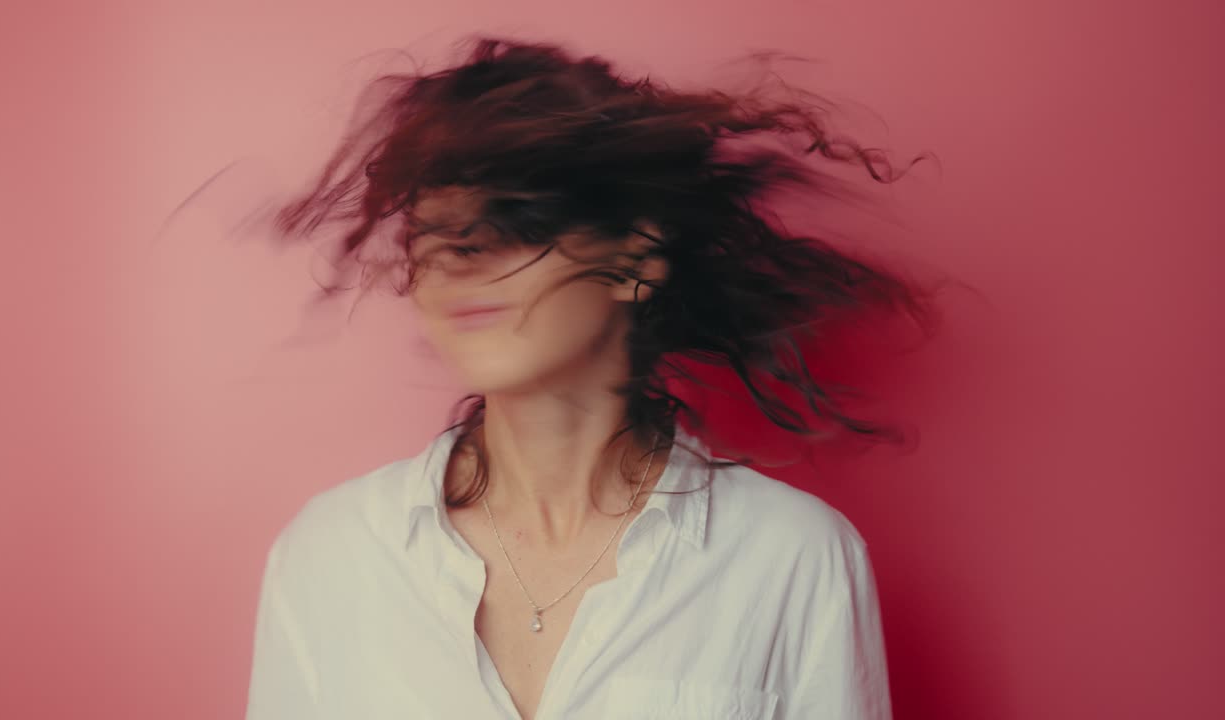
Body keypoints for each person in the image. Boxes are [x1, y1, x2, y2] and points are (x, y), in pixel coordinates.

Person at [245, 35, 938, 720]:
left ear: (636, 260)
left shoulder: (792, 557)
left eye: (515, 218)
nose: (461, 254)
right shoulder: (331, 552)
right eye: (430, 232)